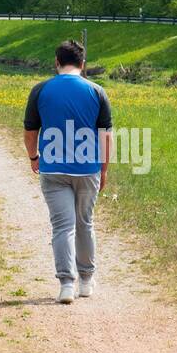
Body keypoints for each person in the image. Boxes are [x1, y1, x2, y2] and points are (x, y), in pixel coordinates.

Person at [22, 40, 113, 304]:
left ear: (56, 62)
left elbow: (30, 132)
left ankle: (66, 285)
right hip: (88, 169)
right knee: (85, 223)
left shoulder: (40, 90)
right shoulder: (97, 91)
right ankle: (86, 281)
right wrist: (104, 170)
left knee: (63, 226)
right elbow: (106, 136)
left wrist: (33, 156)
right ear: (83, 65)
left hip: (53, 170)